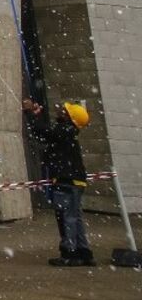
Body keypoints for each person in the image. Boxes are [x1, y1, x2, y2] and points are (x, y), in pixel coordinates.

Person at [24, 97, 93, 267]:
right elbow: (44, 133)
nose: (60, 111)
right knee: (75, 217)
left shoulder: (63, 130)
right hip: (76, 181)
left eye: (64, 111)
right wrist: (36, 116)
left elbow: (42, 131)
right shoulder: (69, 132)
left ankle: (69, 253)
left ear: (69, 117)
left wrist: (30, 113)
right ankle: (83, 252)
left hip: (65, 181)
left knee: (65, 217)